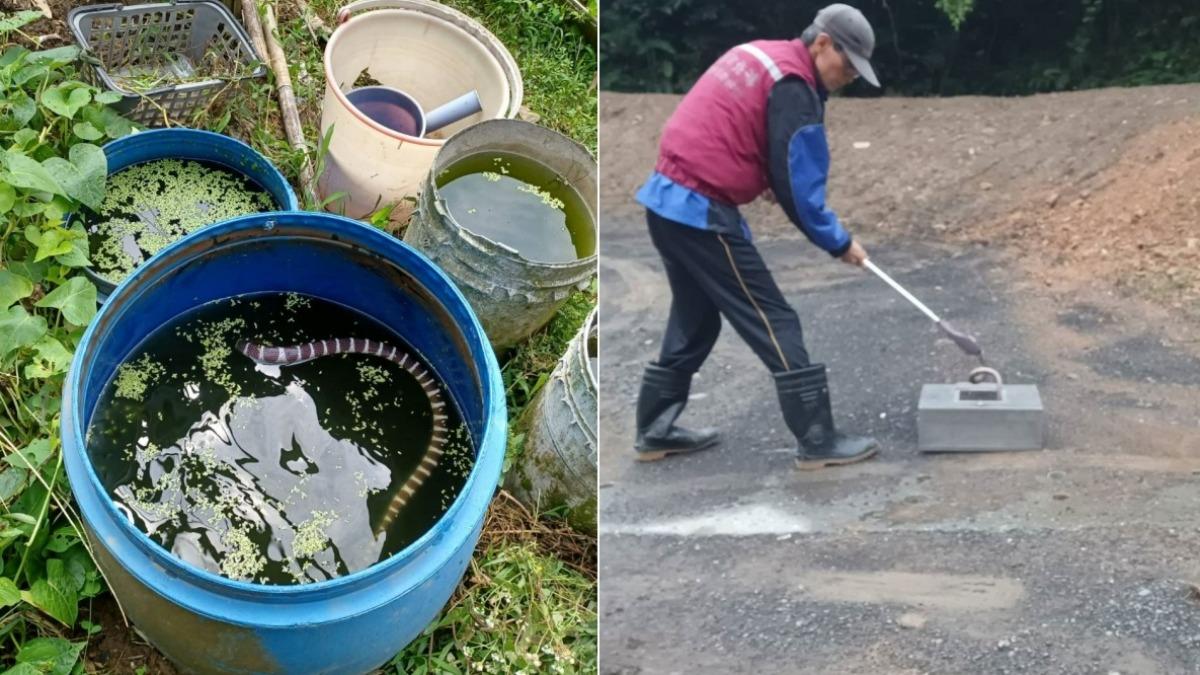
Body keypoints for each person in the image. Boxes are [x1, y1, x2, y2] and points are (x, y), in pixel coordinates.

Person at [633, 3, 882, 469]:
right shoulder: (794, 85)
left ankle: (654, 429)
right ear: (822, 43)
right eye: (847, 64)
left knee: (697, 317)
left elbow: (737, 130)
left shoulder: (760, 55)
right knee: (774, 317)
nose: (849, 76)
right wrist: (838, 241)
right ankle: (818, 439)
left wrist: (758, 175)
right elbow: (798, 182)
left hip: (667, 201)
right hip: (700, 212)